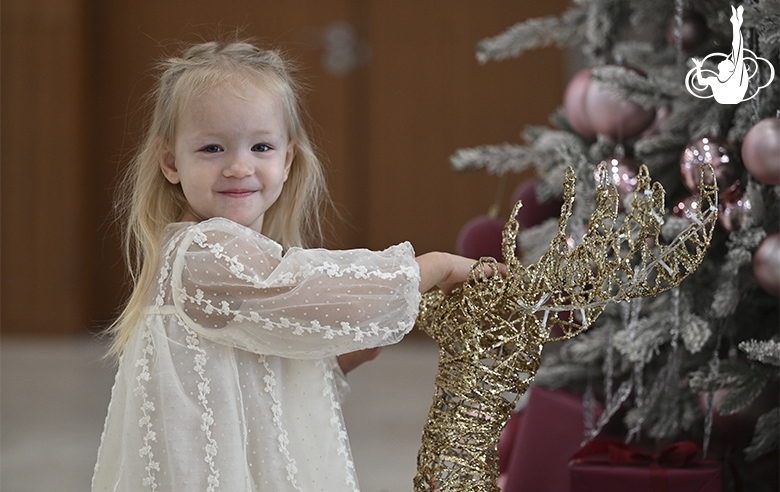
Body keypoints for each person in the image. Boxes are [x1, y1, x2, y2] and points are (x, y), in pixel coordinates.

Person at [91, 40, 480, 491]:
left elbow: (255, 375)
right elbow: (305, 291)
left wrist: (337, 356)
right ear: (171, 162)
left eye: (260, 146)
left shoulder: (246, 254)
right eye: (213, 148)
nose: (239, 166)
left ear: (288, 158)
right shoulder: (203, 252)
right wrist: (431, 268)